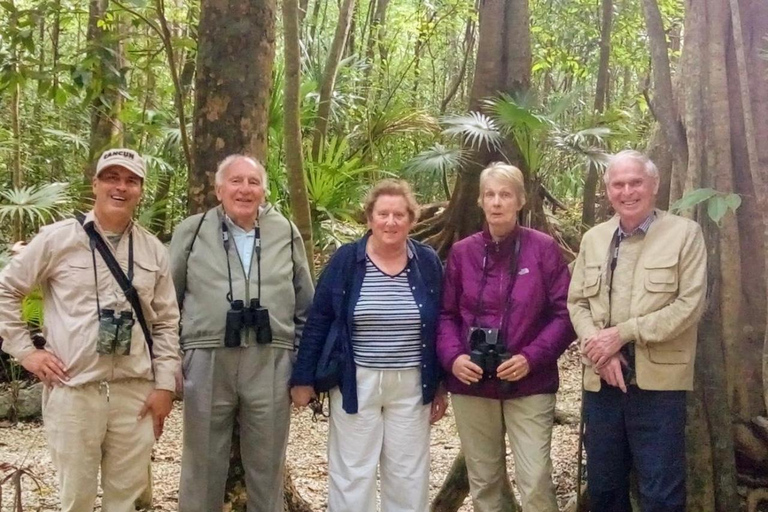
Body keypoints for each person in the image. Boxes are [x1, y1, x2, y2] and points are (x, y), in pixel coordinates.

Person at [0, 148, 181, 512]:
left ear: (140, 190)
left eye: (131, 180)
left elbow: (165, 322)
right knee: (77, 497)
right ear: (95, 184)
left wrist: (164, 386)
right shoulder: (57, 238)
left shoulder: (152, 249)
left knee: (126, 499)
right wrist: (25, 351)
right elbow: (7, 288)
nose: (121, 187)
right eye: (112, 178)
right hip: (75, 389)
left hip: (134, 392)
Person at [290, 179, 447, 512]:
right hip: (355, 379)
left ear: (411, 220)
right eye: (383, 214)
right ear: (369, 218)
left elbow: (441, 324)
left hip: (412, 382)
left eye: (399, 215)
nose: (390, 222)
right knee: (352, 471)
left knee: (408, 472)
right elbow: (319, 319)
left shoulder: (427, 262)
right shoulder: (347, 260)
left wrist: (441, 385)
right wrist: (303, 379)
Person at [170, 154, 314, 512]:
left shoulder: (285, 230)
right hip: (206, 356)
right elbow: (165, 302)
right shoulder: (192, 231)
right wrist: (170, 356)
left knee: (268, 465)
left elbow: (306, 304)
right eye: (236, 181)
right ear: (219, 189)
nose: (245, 189)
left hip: (272, 357)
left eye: (253, 182)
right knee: (201, 462)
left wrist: (301, 363)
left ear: (264, 190)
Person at [567, 150, 707, 512]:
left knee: (661, 488)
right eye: (618, 184)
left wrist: (624, 333)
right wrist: (601, 349)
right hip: (602, 380)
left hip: (658, 383)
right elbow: (577, 303)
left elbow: (690, 305)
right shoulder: (594, 239)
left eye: (635, 183)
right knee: (604, 485)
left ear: (654, 185)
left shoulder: (684, 234)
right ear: (608, 190)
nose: (627, 191)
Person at [437, 162, 574, 512]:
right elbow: (446, 315)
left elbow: (565, 313)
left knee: (536, 479)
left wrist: (532, 357)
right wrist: (454, 358)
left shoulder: (542, 249)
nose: (497, 202)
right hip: (472, 382)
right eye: (490, 195)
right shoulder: (463, 252)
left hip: (529, 381)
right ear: (480, 201)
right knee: (484, 481)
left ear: (521, 200)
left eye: (505, 194)